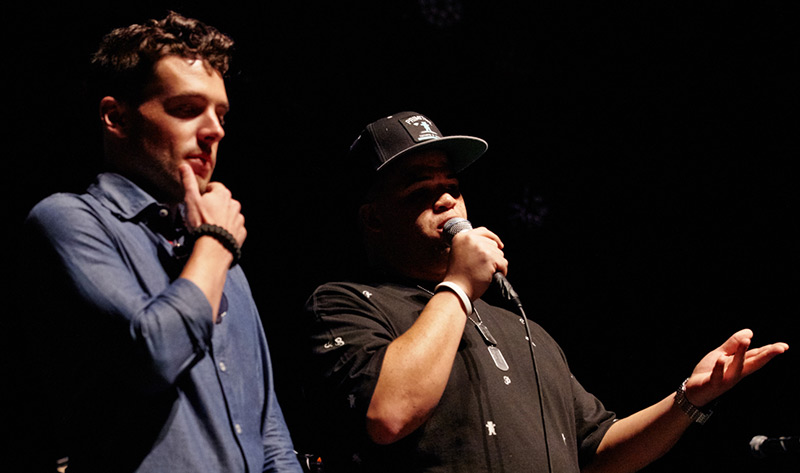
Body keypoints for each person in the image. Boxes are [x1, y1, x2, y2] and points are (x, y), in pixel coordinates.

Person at [300, 111, 789, 472]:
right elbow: (389, 414)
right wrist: (460, 284)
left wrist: (687, 398)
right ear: (374, 219)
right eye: (420, 191)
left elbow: (597, 452)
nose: (447, 199)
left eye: (452, 186)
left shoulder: (522, 328)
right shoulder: (345, 303)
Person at [21, 12, 302, 472]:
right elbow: (151, 356)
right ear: (116, 117)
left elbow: (268, 429)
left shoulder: (218, 251)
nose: (215, 130)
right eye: (188, 109)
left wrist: (213, 245)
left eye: (221, 114)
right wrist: (215, 243)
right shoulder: (68, 220)